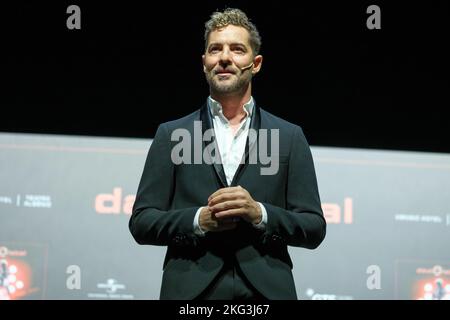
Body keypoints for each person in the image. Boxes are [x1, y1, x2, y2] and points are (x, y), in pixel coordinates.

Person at [129, 8, 326, 300]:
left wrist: (259, 213)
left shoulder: (290, 136)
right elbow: (142, 222)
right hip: (190, 293)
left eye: (237, 49)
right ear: (204, 63)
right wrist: (199, 220)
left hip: (267, 293)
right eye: (215, 49)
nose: (224, 57)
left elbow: (313, 227)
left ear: (255, 63)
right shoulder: (170, 134)